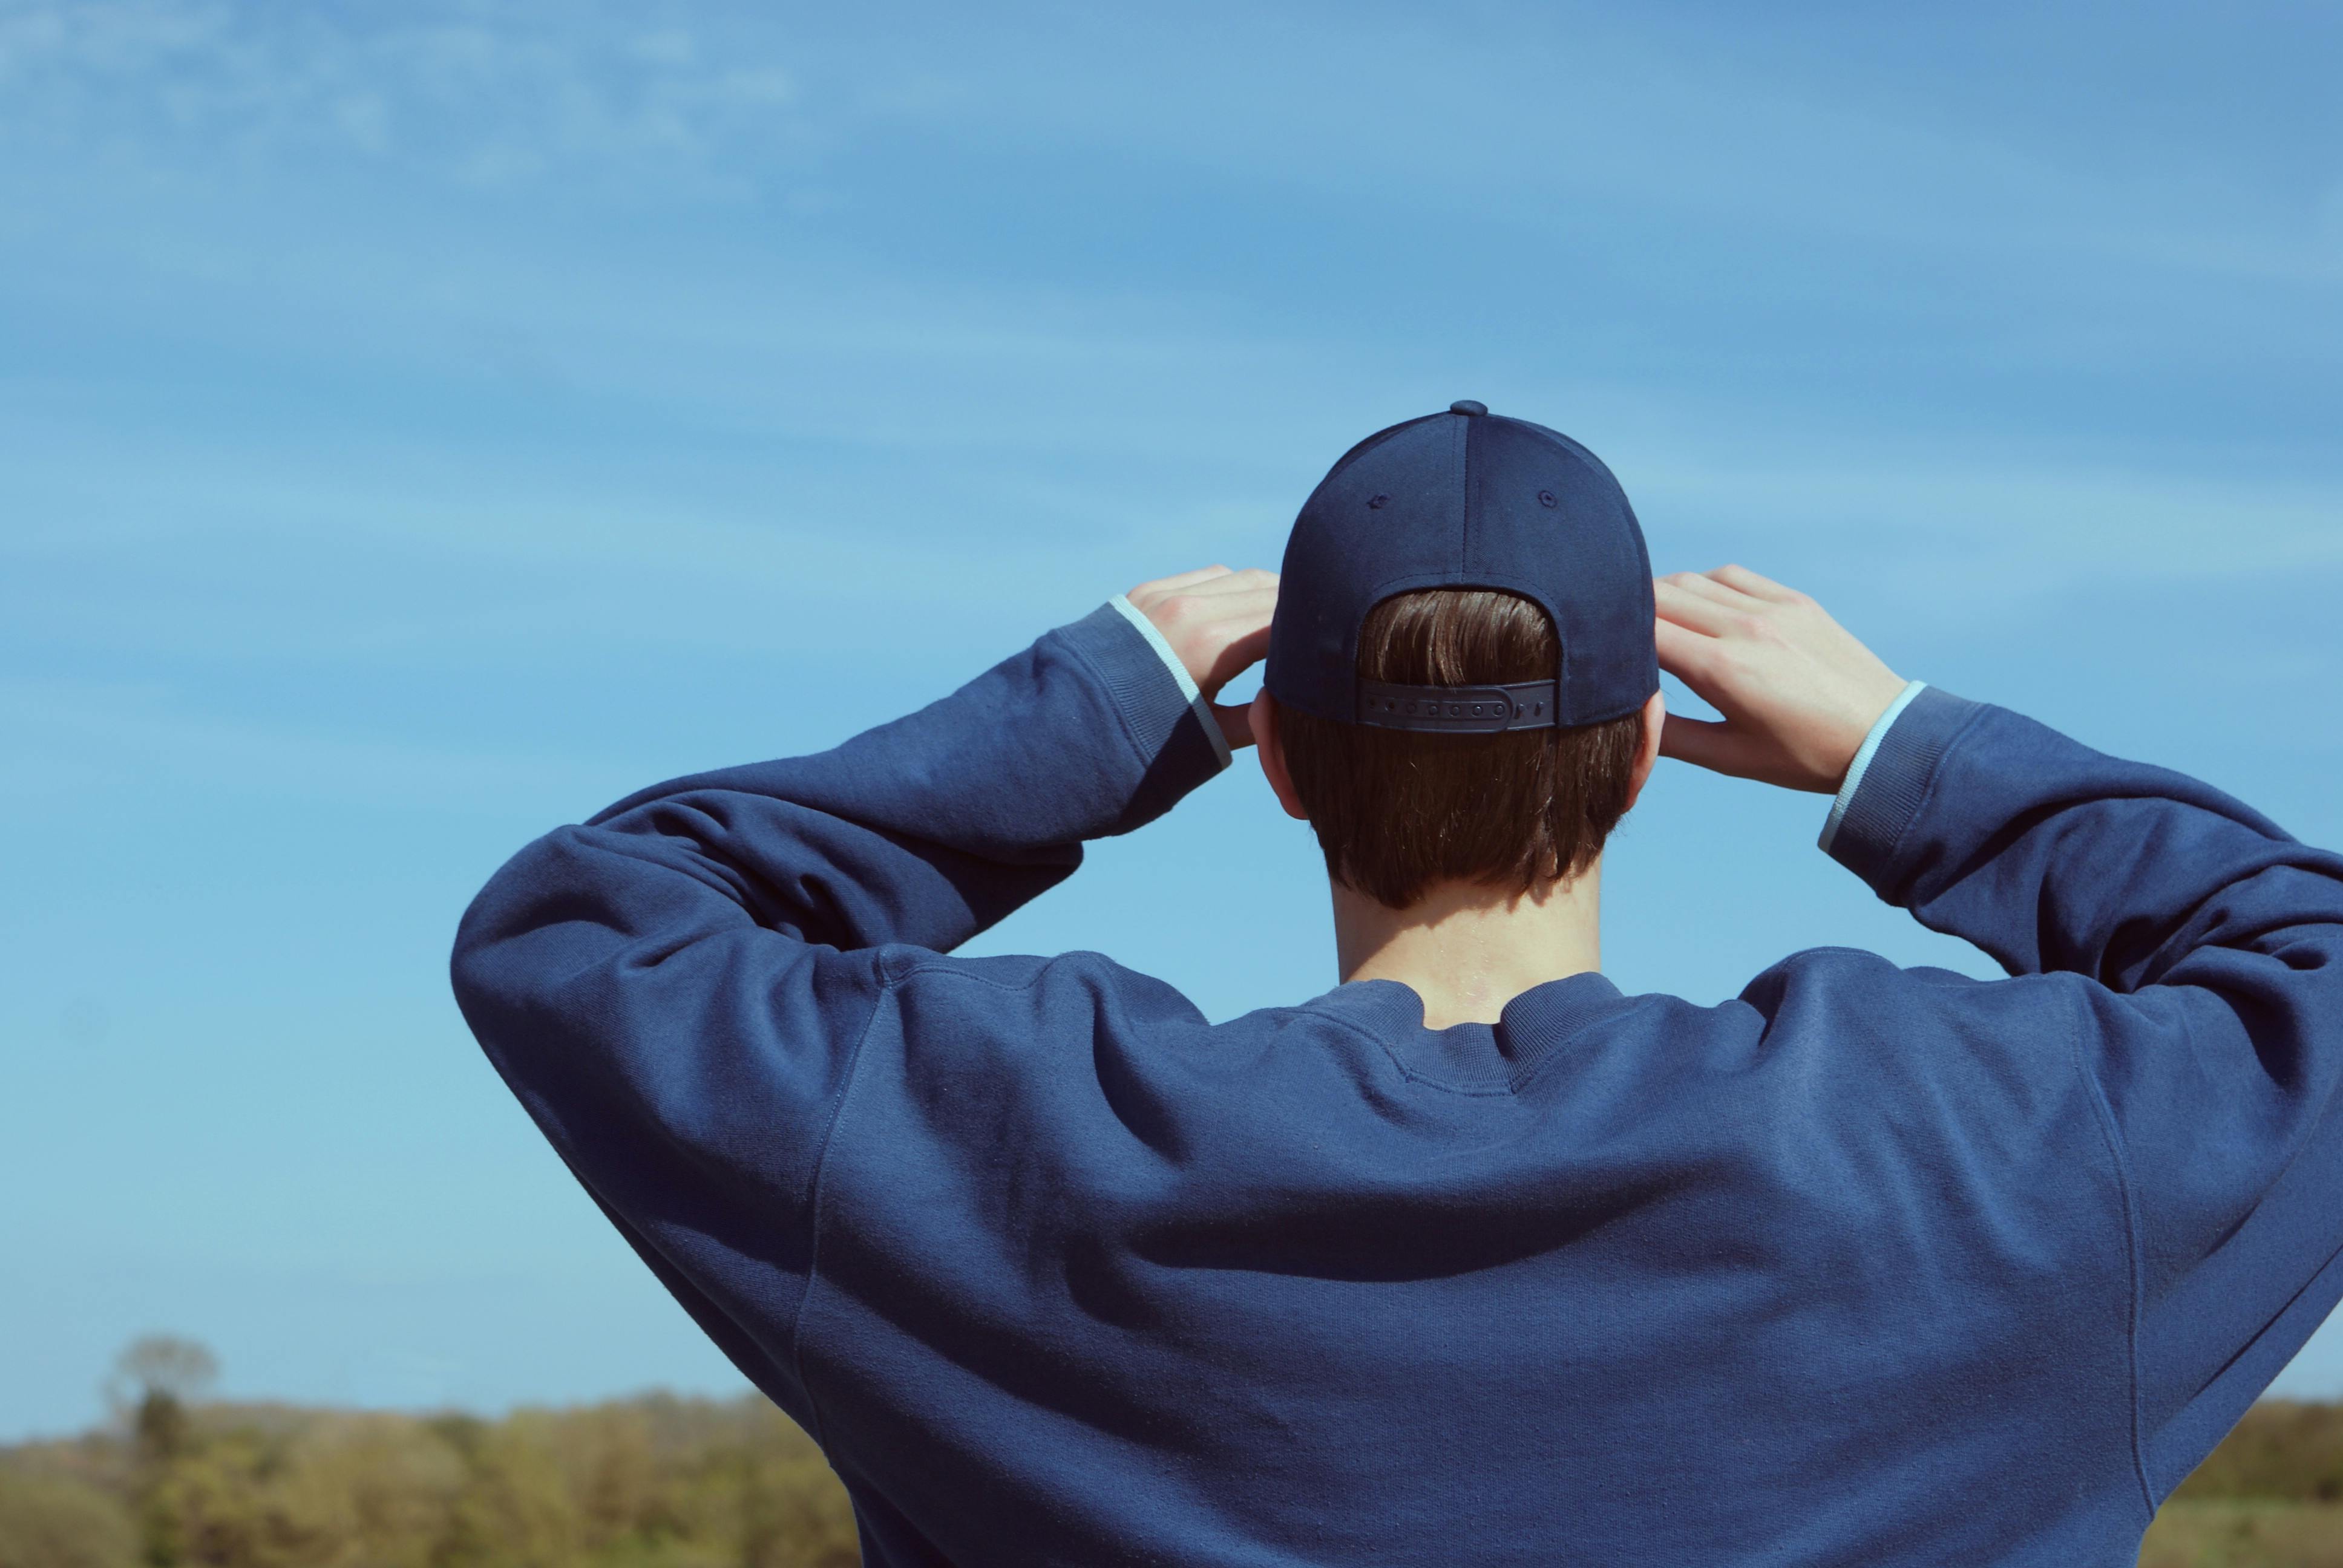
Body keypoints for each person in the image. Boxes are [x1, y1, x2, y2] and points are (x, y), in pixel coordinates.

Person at [450, 402, 2343, 1566]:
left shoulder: (1007, 1148)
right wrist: (1914, 757)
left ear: (1272, 760)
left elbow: (591, 932)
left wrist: (1074, 719)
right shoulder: (1986, 1154)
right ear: (1638, 762)